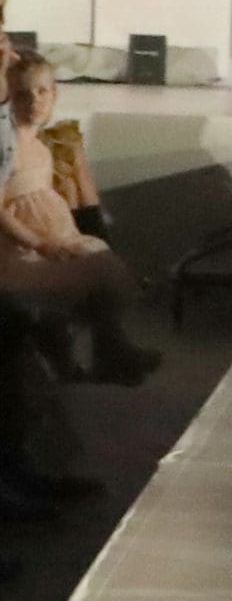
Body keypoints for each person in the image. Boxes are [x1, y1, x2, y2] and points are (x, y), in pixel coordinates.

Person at [2, 55, 158, 385]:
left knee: (97, 258)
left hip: (53, 239)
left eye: (42, 92)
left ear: (54, 94)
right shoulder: (7, 148)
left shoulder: (41, 148)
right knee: (94, 269)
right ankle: (95, 353)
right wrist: (38, 243)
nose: (34, 101)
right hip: (19, 251)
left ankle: (100, 351)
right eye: (23, 94)